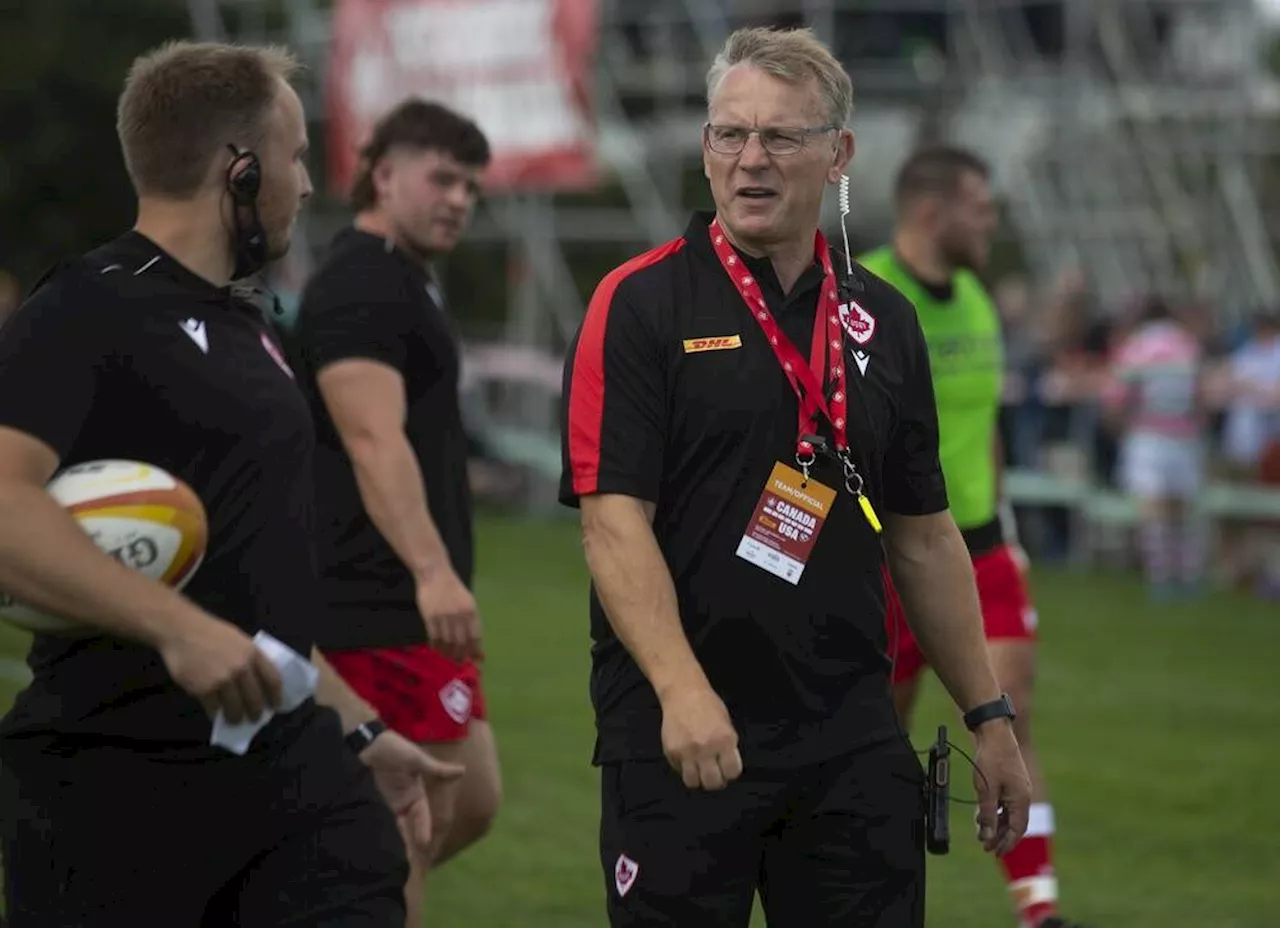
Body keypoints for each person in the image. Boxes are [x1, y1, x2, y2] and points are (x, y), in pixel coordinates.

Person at [559, 27, 1031, 928]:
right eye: (728, 134)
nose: (750, 160)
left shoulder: (883, 319)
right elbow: (611, 521)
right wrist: (681, 689)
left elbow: (925, 537)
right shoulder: (641, 301)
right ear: (705, 150)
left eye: (781, 137)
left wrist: (989, 715)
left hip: (848, 739)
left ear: (838, 154)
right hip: (683, 735)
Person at [0, 41, 461, 925]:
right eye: (293, 159)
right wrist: (174, 628)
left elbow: (257, 595)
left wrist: (362, 728)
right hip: (110, 789)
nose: (309, 184)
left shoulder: (251, 329)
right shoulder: (87, 306)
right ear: (239, 170)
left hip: (291, 780)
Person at [860, 146, 1089, 928]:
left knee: (1009, 714)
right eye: (980, 207)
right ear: (933, 212)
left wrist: (1010, 531)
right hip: (889, 554)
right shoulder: (866, 293)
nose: (992, 220)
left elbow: (983, 425)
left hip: (985, 548)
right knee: (870, 739)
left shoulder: (979, 302)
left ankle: (1040, 912)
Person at [288, 98, 500, 926]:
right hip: (376, 603)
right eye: (442, 178)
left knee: (470, 799)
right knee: (402, 833)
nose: (459, 200)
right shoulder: (364, 283)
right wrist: (433, 573)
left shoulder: (403, 277)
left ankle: (308, 896)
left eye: (472, 188)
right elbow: (371, 438)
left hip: (406, 608)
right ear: (382, 174)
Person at [1101, 295, 1207, 600]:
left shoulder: (1135, 348)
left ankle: (1161, 578)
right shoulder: (1187, 344)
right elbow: (1201, 397)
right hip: (1185, 436)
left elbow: (1118, 395)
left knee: (1153, 509)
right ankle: (1188, 575)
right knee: (1181, 509)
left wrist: (1115, 427)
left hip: (1148, 434)